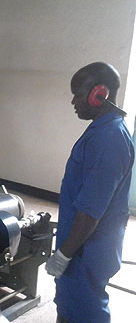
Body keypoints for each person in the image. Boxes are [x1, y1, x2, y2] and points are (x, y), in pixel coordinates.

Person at [46, 62, 134, 323]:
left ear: (99, 94)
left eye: (77, 93)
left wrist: (64, 255)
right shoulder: (103, 129)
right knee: (70, 304)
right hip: (83, 245)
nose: (73, 100)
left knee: (84, 310)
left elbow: (91, 210)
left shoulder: (109, 139)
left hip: (87, 250)